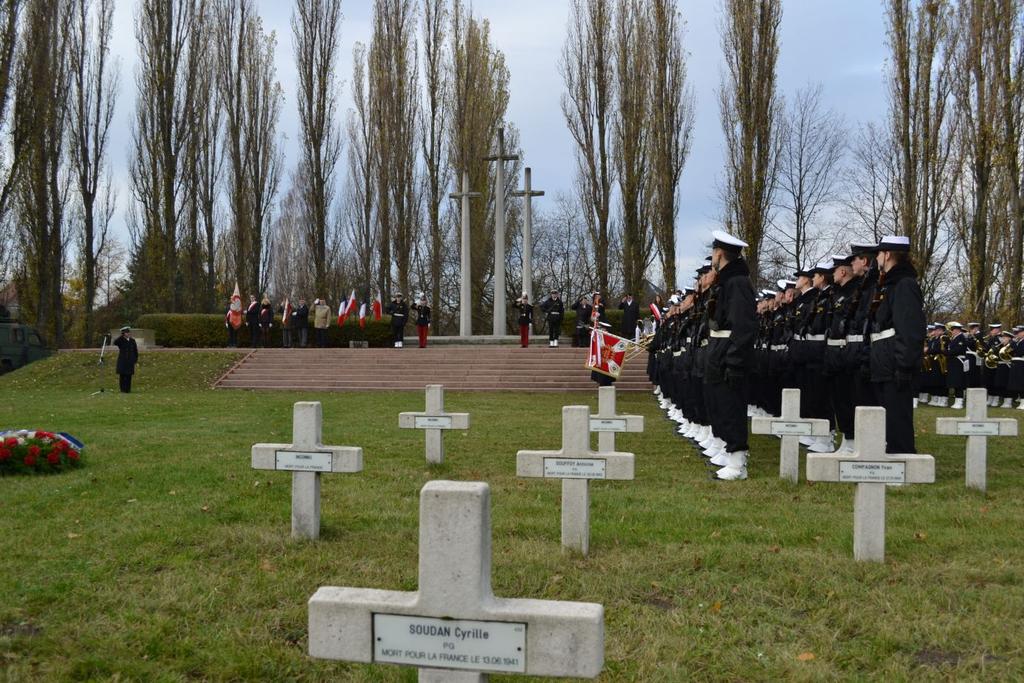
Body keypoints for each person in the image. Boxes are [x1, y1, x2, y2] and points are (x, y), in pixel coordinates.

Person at [704, 230, 757, 481]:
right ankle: (730, 453)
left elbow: (743, 327)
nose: (712, 257)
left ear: (720, 253)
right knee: (723, 406)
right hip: (720, 354)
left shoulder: (737, 283)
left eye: (714, 252)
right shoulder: (726, 281)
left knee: (733, 408)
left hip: (729, 356)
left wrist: (734, 361)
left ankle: (738, 462)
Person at [868, 235, 926, 454]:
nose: (877, 258)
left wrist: (904, 365)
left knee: (898, 419)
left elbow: (910, 329)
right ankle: (892, 457)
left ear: (888, 254)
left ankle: (904, 461)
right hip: (884, 363)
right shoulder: (889, 284)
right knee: (889, 418)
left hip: (895, 364)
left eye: (879, 253)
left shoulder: (904, 285)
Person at [944, 322, 968, 409]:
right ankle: (957, 401)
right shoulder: (954, 338)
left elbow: (957, 350)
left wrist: (946, 352)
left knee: (959, 382)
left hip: (958, 362)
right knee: (955, 382)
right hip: (954, 362)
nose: (951, 331)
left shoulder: (961, 338)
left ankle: (960, 401)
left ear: (957, 330)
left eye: (952, 330)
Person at [113, 326, 139, 394]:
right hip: (123, 361)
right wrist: (121, 336)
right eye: (126, 332)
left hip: (130, 361)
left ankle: (128, 389)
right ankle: (123, 390)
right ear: (123, 333)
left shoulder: (132, 340)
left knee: (129, 376)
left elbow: (135, 350)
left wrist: (135, 359)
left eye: (129, 332)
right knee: (122, 376)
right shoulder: (121, 340)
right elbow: (115, 342)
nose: (128, 334)